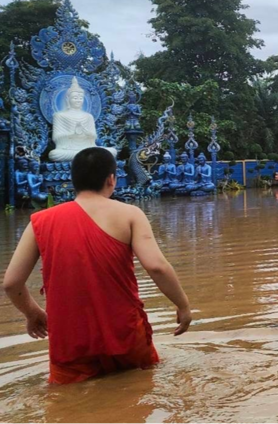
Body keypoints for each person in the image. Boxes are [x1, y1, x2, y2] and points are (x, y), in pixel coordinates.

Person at [2, 147, 192, 384]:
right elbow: (157, 267)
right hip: (125, 334)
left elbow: (11, 283)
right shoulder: (130, 214)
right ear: (111, 179)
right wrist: (183, 305)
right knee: (139, 394)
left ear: (73, 180)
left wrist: (33, 313)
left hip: (70, 339)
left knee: (67, 404)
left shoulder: (40, 222)